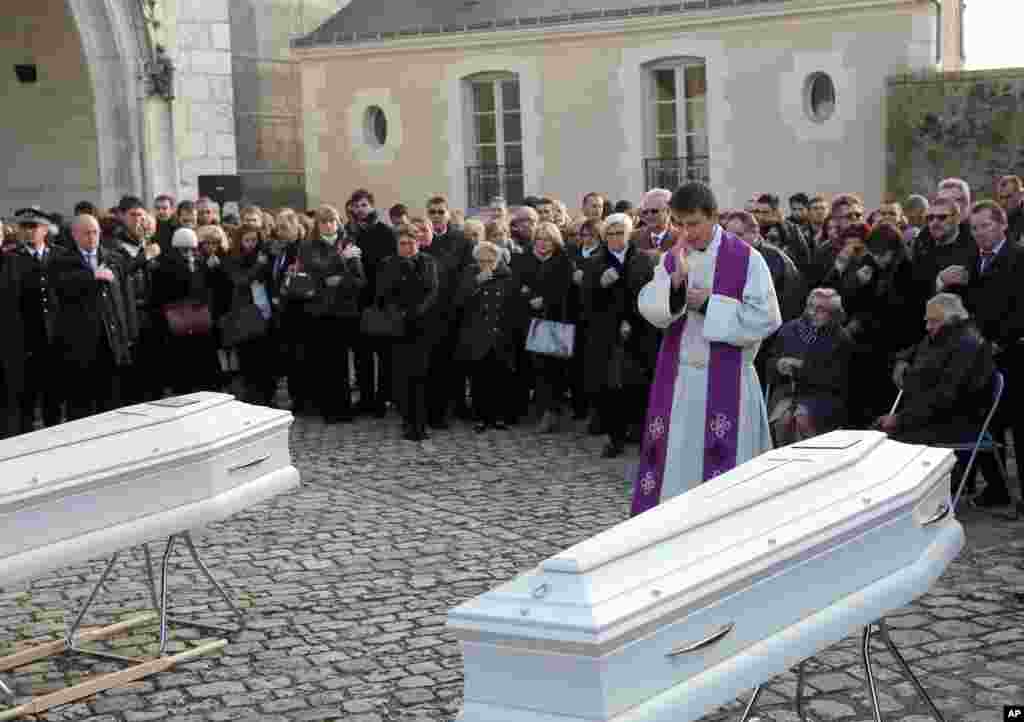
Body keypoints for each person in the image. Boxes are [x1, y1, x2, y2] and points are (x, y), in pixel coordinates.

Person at [631, 182, 782, 514]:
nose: (688, 232)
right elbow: (648, 306)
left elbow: (767, 318)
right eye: (680, 224)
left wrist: (709, 304)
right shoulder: (674, 257)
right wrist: (675, 287)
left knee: (728, 483)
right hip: (681, 383)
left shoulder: (746, 259)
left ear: (714, 217)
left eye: (695, 223)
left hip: (730, 385)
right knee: (679, 465)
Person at [875, 293, 1002, 503]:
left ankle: (908, 499)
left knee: (889, 438)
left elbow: (947, 397)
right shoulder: (940, 337)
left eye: (932, 321)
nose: (927, 326)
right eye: (926, 320)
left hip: (958, 420)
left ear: (951, 319)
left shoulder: (966, 344)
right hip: (936, 414)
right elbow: (915, 351)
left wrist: (902, 418)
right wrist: (902, 361)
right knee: (877, 432)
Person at [580, 213, 657, 458]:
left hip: (640, 331)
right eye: (610, 233)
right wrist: (599, 285)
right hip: (607, 335)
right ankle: (615, 437)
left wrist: (632, 319)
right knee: (611, 387)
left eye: (620, 233)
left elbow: (649, 294)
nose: (615, 238)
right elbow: (585, 304)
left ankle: (639, 432)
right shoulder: (595, 263)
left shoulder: (644, 260)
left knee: (639, 385)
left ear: (628, 234)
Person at [52, 214, 134, 420]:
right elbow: (62, 287)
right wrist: (91, 276)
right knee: (81, 405)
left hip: (111, 342)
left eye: (95, 232)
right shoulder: (62, 260)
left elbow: (124, 299)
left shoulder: (113, 258)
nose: (92, 237)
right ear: (74, 235)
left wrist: (127, 335)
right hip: (80, 346)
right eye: (86, 233)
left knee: (111, 404)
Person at [374, 224, 439, 441]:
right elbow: (382, 294)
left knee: (420, 376)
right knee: (401, 377)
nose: (407, 247)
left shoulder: (427, 262)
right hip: (396, 327)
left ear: (418, 243)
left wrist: (416, 312)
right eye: (402, 244)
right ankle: (406, 420)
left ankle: (419, 423)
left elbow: (432, 291)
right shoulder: (388, 264)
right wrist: (397, 314)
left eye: (411, 243)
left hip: (422, 326)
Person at [766, 288, 854, 445]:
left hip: (824, 397)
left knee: (802, 418)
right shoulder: (789, 330)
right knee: (782, 421)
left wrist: (802, 367)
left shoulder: (841, 338)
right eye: (811, 307)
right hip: (788, 392)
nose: (813, 312)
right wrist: (779, 365)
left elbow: (837, 381)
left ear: (834, 313)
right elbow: (769, 366)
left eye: (821, 309)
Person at [514, 221, 573, 433]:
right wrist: (530, 296)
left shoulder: (563, 261)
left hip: (556, 320)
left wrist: (545, 299)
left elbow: (565, 290)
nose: (542, 243)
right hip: (531, 321)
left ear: (555, 241)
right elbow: (519, 285)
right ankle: (543, 411)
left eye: (547, 239)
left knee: (554, 370)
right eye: (539, 238)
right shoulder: (526, 259)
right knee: (538, 368)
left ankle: (552, 413)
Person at [453, 241, 515, 431]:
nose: (486, 264)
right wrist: (476, 282)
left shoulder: (507, 275)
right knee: (479, 379)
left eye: (490, 260)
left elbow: (513, 305)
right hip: (477, 335)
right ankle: (480, 416)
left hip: (500, 335)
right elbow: (458, 301)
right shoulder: (470, 274)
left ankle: (499, 416)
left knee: (500, 378)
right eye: (481, 261)